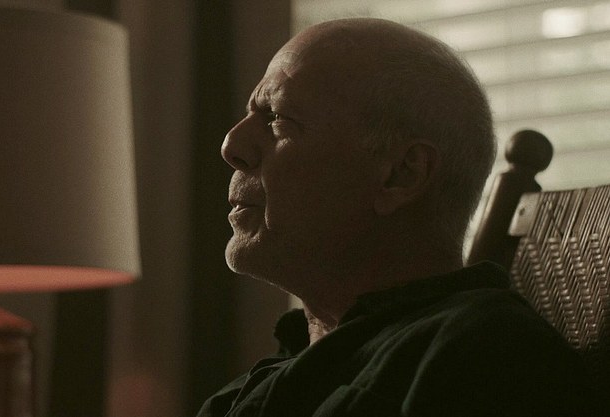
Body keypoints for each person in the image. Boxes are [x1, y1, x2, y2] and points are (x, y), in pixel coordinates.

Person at [197, 18, 601, 417]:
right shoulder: (275, 375)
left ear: (401, 174)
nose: (231, 145)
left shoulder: (486, 361)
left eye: (277, 118)